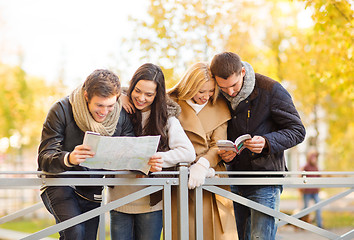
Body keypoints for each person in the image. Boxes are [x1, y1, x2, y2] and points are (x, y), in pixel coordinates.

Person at [210, 52, 306, 240]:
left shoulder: (271, 89)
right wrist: (228, 154)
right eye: (223, 87)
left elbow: (298, 131)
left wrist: (267, 141)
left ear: (243, 72)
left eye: (233, 85)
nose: (230, 92)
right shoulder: (217, 94)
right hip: (234, 178)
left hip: (265, 180)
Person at [37, 69, 135, 240]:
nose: (105, 112)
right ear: (86, 96)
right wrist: (69, 158)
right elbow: (44, 157)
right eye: (99, 105)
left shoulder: (121, 115)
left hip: (93, 189)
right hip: (60, 185)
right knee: (75, 233)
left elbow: (130, 150)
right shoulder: (60, 110)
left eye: (110, 105)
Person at [108, 63, 196, 240]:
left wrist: (161, 158)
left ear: (157, 95)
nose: (141, 98)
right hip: (118, 199)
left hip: (151, 202)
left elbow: (188, 152)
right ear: (131, 87)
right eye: (137, 91)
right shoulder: (116, 108)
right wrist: (118, 97)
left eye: (149, 94)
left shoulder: (166, 118)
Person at [168, 62, 238, 239]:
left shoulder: (220, 106)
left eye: (211, 91)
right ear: (189, 86)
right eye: (201, 91)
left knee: (217, 232)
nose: (206, 96)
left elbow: (218, 144)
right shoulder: (170, 103)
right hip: (180, 176)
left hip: (211, 174)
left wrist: (203, 164)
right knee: (185, 230)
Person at [301, 148, 322, 228]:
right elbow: (301, 176)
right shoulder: (306, 167)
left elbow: (319, 177)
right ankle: (303, 226)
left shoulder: (316, 167)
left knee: (318, 208)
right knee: (305, 209)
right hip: (307, 191)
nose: (314, 159)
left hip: (315, 191)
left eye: (315, 157)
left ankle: (320, 225)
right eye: (312, 157)